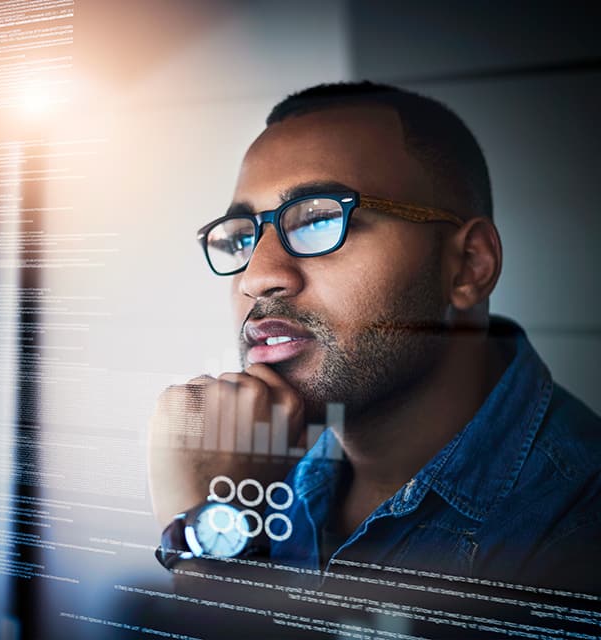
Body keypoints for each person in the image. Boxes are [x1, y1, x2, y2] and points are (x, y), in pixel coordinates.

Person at [147, 82, 601, 595]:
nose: (257, 276)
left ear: (469, 265)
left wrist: (204, 538)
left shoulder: (579, 532)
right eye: (243, 237)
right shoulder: (256, 462)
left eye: (318, 219)